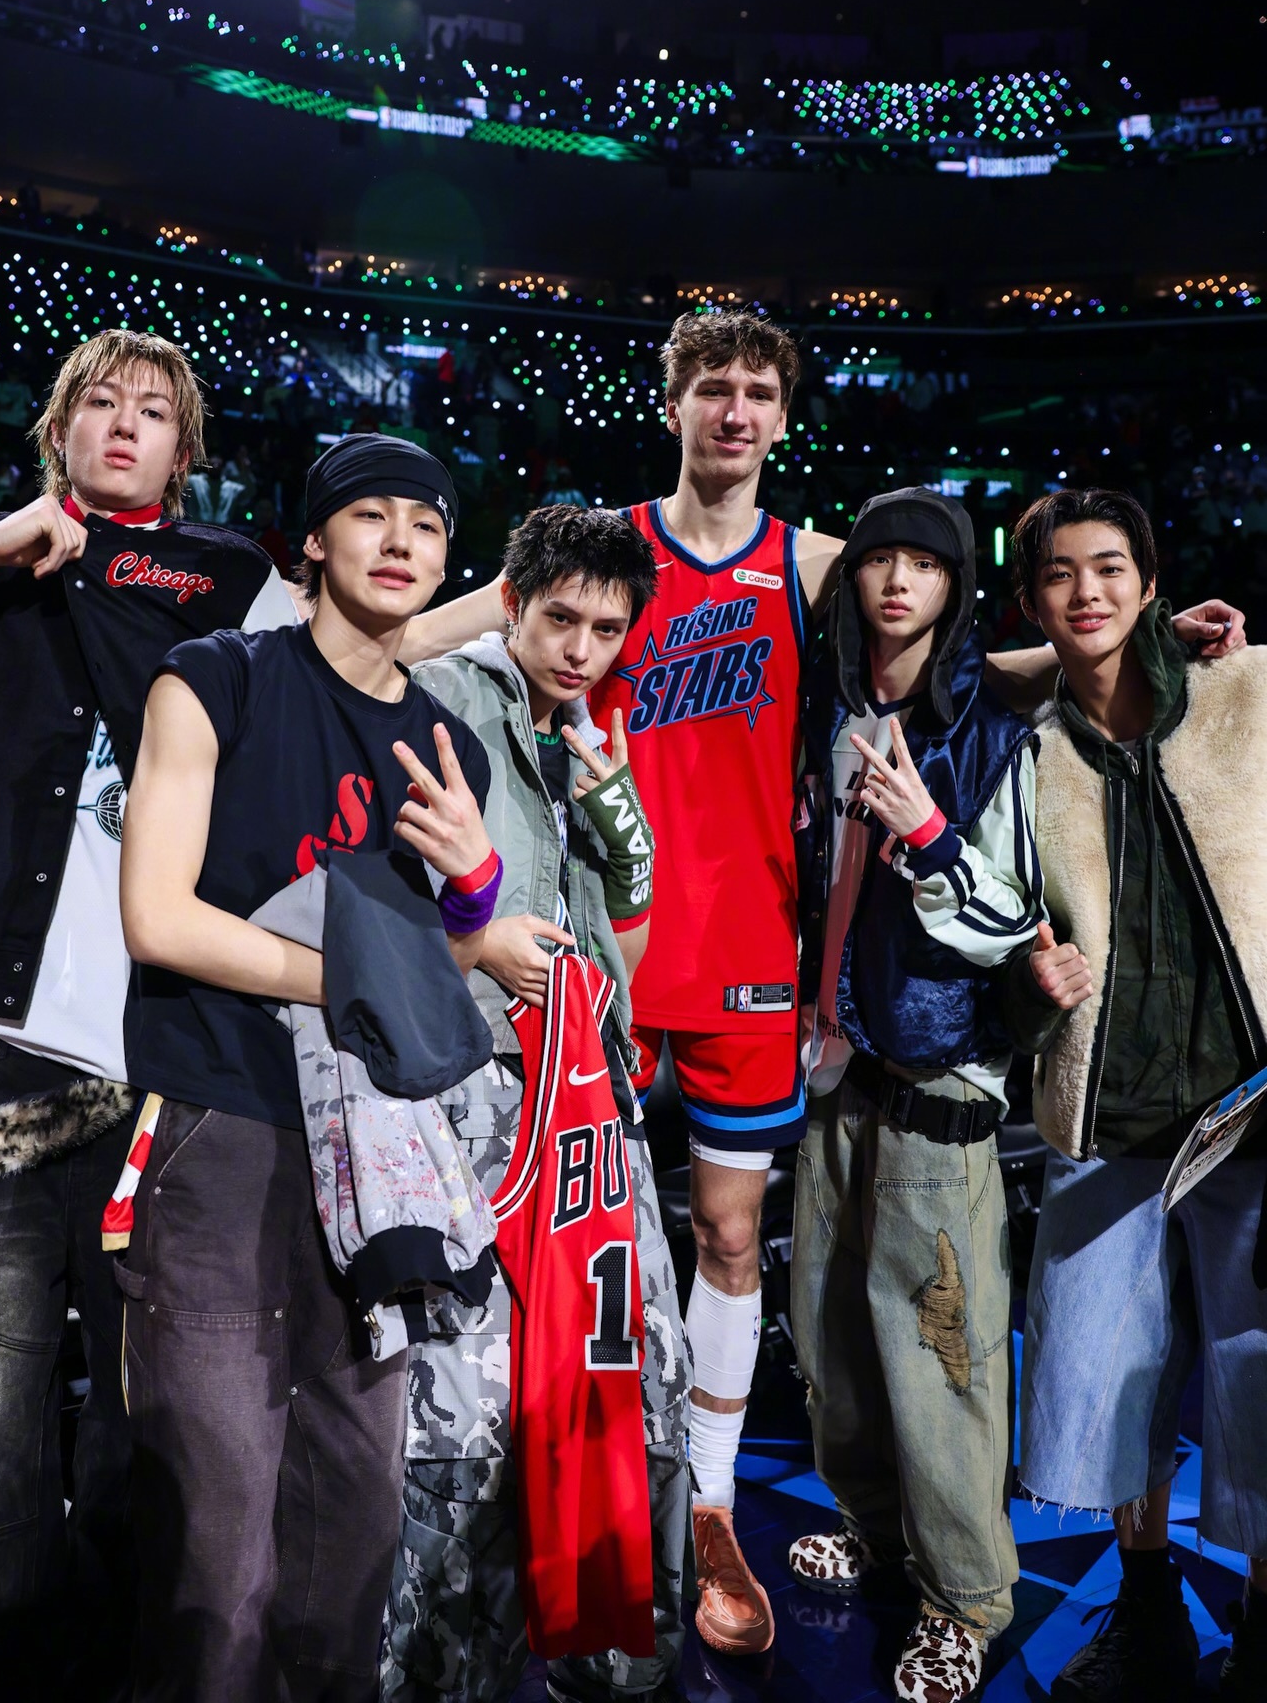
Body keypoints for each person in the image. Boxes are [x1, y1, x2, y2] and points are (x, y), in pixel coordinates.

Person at [400, 307, 1246, 1653]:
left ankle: (712, 1507)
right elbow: (419, 631)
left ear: (785, 417)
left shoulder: (813, 566)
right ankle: (540, 1497)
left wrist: (1140, 642)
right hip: (596, 941)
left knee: (733, 1239)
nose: (734, 411)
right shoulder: (607, 553)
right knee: (546, 1245)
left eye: (757, 391)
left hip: (749, 956)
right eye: (711, 388)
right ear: (672, 403)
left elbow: (957, 653)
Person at [0, 328, 293, 1703]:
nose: (125, 421)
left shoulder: (240, 588)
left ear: (184, 453)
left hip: (177, 1078)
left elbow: (330, 716)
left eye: (155, 409)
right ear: (59, 431)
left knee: (157, 1446)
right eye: (100, 400)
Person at [117, 435, 496, 1702]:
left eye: (426, 526)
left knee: (355, 1526)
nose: (401, 542)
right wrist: (350, 978)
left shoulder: (448, 747)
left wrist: (475, 885)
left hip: (375, 1160)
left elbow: (443, 969)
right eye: (371, 516)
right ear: (315, 542)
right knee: (218, 1542)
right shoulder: (214, 677)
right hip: (216, 1127)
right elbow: (158, 918)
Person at [385, 503, 691, 1703]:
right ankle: (441, 1680)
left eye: (607, 630)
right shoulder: (442, 698)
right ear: (510, 602)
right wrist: (478, 942)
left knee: (629, 1380)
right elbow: (367, 912)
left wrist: (621, 830)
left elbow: (630, 951)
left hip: (589, 1101)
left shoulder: (590, 732)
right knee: (464, 1414)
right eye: (560, 618)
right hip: (464, 1100)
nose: (581, 648)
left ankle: (611, 1663)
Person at [1002, 488, 1267, 1703]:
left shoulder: (1247, 695)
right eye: (1061, 574)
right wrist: (1029, 981)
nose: (1089, 592)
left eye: (1112, 568)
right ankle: (1148, 1604)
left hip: (1251, 1109)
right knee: (1111, 1382)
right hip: (1107, 1113)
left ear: (1152, 583)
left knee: (1258, 1372)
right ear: (1031, 600)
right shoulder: (1028, 750)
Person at [789, 489, 1044, 1703]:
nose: (898, 580)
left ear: (955, 587)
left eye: (925, 565)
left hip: (940, 1075)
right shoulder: (824, 710)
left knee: (944, 1355)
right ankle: (877, 1527)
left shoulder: (992, 727)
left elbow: (1018, 921)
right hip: (835, 1061)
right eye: (878, 558)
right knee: (831, 1328)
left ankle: (965, 1601)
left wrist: (934, 835)